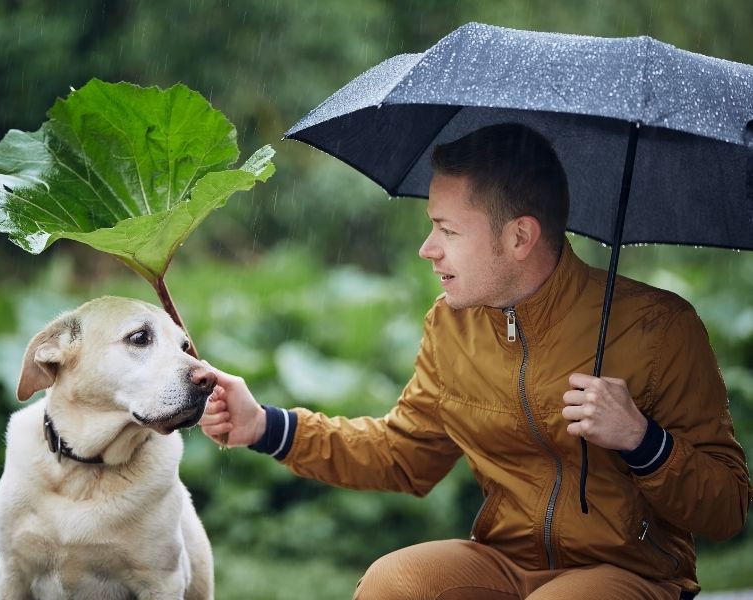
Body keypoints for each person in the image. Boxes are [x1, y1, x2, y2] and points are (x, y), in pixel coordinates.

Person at [200, 123, 751, 599]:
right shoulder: (451, 324)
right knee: (395, 584)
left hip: (632, 575)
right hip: (505, 564)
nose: (427, 248)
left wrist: (641, 439)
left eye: (447, 229)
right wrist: (266, 426)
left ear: (519, 237)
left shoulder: (660, 327)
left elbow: (727, 509)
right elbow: (403, 456)